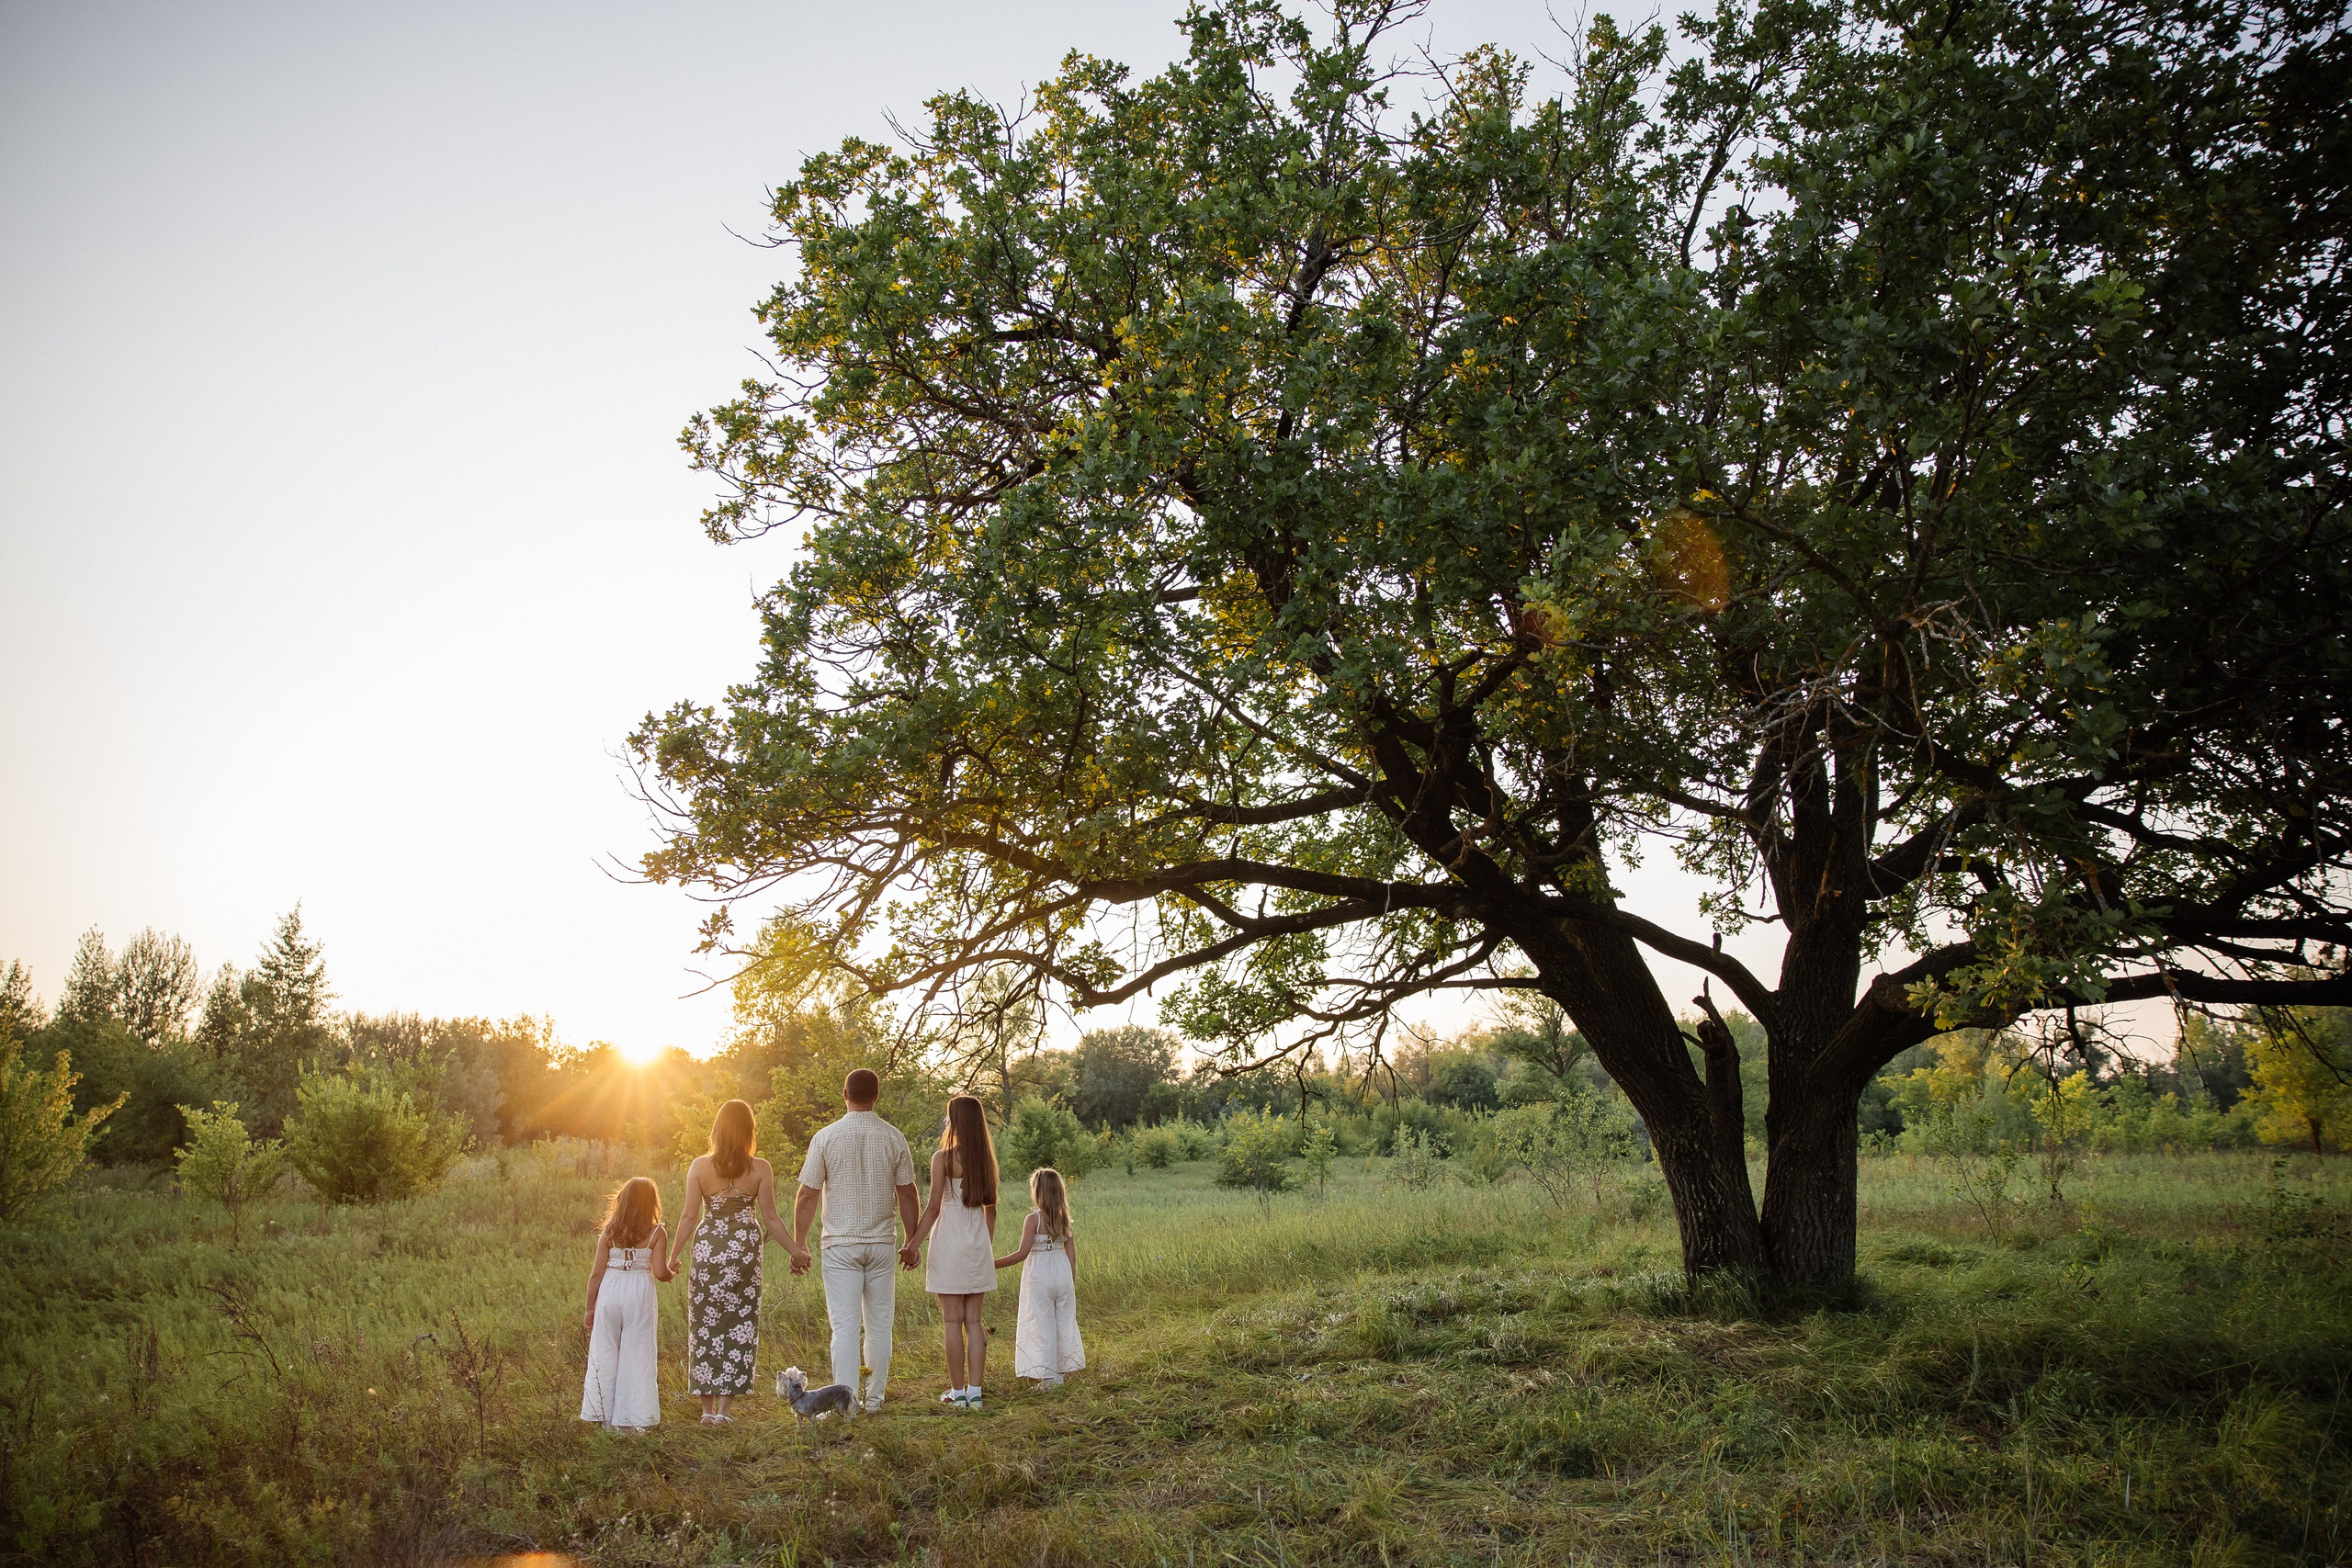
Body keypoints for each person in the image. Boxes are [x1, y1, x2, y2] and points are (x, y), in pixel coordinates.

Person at [790, 1068, 919, 1413]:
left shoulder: (826, 1137)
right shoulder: (894, 1137)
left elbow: (807, 1195)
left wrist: (800, 1244)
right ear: (877, 1096)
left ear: (844, 1093)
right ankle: (874, 1400)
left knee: (844, 1327)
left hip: (840, 1244)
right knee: (880, 1325)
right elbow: (907, 1193)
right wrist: (911, 1241)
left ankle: (846, 1405)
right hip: (880, 1243)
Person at [675, 1100, 792, 1425]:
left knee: (705, 1326)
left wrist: (672, 1257)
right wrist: (797, 1251)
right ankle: (725, 1412)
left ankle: (706, 1411)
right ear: (749, 1131)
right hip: (743, 1251)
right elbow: (771, 1219)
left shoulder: (699, 1167)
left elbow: (688, 1217)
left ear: (717, 1129)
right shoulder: (760, 1169)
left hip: (708, 1250)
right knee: (738, 1327)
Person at [903, 1093, 999, 1410]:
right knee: (974, 1322)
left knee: (950, 1322)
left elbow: (932, 1208)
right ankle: (976, 1393)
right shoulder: (986, 1161)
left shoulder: (942, 1158)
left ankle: (957, 1394)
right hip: (977, 1245)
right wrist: (984, 1246)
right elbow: (991, 1211)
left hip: (948, 1244)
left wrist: (911, 1245)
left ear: (955, 1121)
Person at [580, 1176, 674, 1431]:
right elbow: (660, 1273)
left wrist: (590, 1308)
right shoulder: (657, 1232)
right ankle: (630, 1422)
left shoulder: (609, 1232)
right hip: (638, 1294)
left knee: (606, 1352)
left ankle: (606, 1419)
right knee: (637, 1353)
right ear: (651, 1203)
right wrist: (672, 1271)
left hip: (610, 1289)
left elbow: (595, 1275)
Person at [996, 1165, 1085, 1389]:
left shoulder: (1033, 1219)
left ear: (1038, 1192)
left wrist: (991, 1265)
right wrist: (1069, 1281)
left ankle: (1048, 1377)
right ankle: (1061, 1373)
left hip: (1040, 1275)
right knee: (1063, 1321)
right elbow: (1072, 1256)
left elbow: (1021, 1254)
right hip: (1062, 1272)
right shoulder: (1065, 1219)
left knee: (1041, 1322)